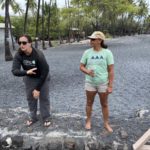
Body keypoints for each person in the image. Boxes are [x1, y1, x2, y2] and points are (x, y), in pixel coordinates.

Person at [12, 34, 51, 127]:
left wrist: (37, 89)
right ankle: (33, 117)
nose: (22, 45)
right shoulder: (19, 54)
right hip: (29, 77)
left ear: (30, 43)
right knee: (30, 98)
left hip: (43, 76)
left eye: (24, 43)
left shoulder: (38, 54)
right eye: (19, 43)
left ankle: (46, 117)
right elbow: (14, 71)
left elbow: (45, 70)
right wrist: (26, 72)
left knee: (44, 98)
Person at [80, 31, 114, 132]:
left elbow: (111, 70)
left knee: (104, 104)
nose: (90, 41)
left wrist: (110, 85)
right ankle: (88, 121)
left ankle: (106, 123)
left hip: (103, 83)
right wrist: (87, 71)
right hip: (90, 83)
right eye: (90, 39)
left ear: (100, 40)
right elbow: (81, 67)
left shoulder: (107, 53)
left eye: (93, 39)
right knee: (89, 103)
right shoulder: (87, 52)